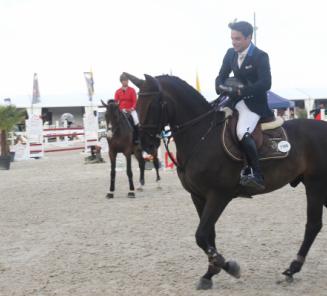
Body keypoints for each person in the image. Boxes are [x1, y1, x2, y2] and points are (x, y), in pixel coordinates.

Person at [215, 21, 274, 191]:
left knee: (242, 131)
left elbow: (266, 83)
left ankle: (257, 174)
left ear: (249, 37)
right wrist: (219, 85)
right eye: (232, 38)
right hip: (232, 100)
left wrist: (243, 91)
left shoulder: (260, 56)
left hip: (253, 103)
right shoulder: (230, 53)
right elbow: (221, 75)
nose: (234, 42)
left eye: (238, 39)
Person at [114, 73, 140, 144]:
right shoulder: (117, 91)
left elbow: (135, 101)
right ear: (121, 81)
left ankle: (137, 138)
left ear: (128, 81)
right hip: (121, 110)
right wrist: (119, 109)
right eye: (123, 80)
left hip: (131, 109)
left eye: (126, 80)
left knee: (136, 120)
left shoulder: (132, 90)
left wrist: (132, 108)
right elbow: (116, 102)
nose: (125, 82)